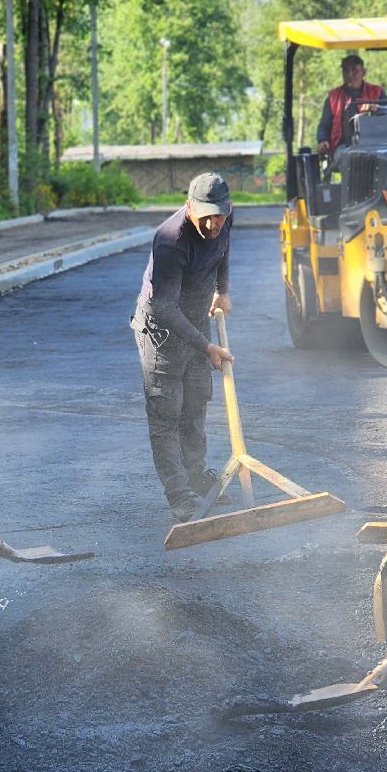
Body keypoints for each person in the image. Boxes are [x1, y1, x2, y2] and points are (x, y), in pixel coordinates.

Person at [130, 172, 234, 523]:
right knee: (166, 414)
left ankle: (195, 475)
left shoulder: (223, 219)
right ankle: (178, 495)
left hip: (195, 320)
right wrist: (207, 347)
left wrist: (222, 288)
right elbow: (164, 307)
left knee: (196, 402)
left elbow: (223, 250)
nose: (214, 223)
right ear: (189, 206)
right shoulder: (170, 240)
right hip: (162, 330)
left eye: (219, 214)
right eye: (206, 215)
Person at [315, 54, 387, 157]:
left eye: (354, 70)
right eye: (346, 71)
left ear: (363, 72)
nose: (350, 74)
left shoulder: (377, 92)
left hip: (374, 144)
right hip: (343, 145)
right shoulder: (333, 97)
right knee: (347, 156)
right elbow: (324, 125)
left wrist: (377, 109)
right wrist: (322, 140)